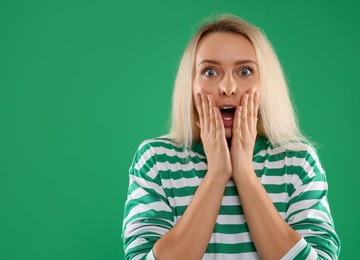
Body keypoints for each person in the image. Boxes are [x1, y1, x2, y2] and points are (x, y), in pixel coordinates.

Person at [121, 14, 340, 259]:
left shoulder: (298, 161)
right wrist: (216, 175)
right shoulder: (156, 160)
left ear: (265, 82)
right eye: (210, 72)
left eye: (245, 71)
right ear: (190, 84)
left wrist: (244, 173)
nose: (228, 88)